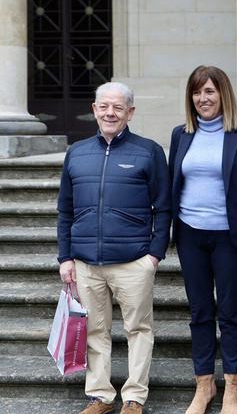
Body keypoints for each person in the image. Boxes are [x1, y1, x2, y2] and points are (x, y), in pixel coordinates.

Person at [57, 82, 171, 414]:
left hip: (134, 261)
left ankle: (134, 397)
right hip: (86, 262)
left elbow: (163, 208)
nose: (110, 113)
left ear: (130, 113)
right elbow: (65, 209)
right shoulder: (77, 153)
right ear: (94, 109)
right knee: (95, 330)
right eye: (104, 106)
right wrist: (65, 257)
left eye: (118, 108)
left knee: (138, 329)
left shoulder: (149, 151)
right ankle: (100, 396)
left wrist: (154, 255)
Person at [169, 66, 237, 414]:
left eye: (209, 91)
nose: (202, 99)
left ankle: (233, 387)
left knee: (230, 310)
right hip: (190, 233)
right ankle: (204, 384)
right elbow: (172, 182)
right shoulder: (181, 134)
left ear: (222, 94)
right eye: (197, 92)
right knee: (199, 310)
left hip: (229, 236)